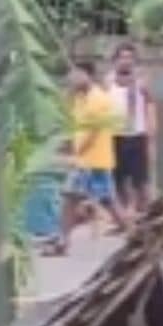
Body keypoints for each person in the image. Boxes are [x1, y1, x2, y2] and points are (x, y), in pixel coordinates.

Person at [48, 65, 128, 256]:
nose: (72, 78)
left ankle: (137, 235)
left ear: (88, 75)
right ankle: (63, 242)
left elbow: (94, 131)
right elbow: (71, 121)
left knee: (97, 201)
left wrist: (78, 153)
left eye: (76, 74)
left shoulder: (98, 99)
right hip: (87, 161)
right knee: (82, 199)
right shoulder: (80, 98)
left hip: (94, 160)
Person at [105, 42, 155, 216]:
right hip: (114, 135)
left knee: (140, 177)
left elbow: (150, 103)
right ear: (115, 60)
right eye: (122, 57)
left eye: (129, 57)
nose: (126, 61)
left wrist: (151, 127)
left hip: (136, 134)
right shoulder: (108, 81)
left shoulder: (141, 82)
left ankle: (144, 209)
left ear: (134, 61)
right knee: (118, 176)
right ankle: (126, 210)